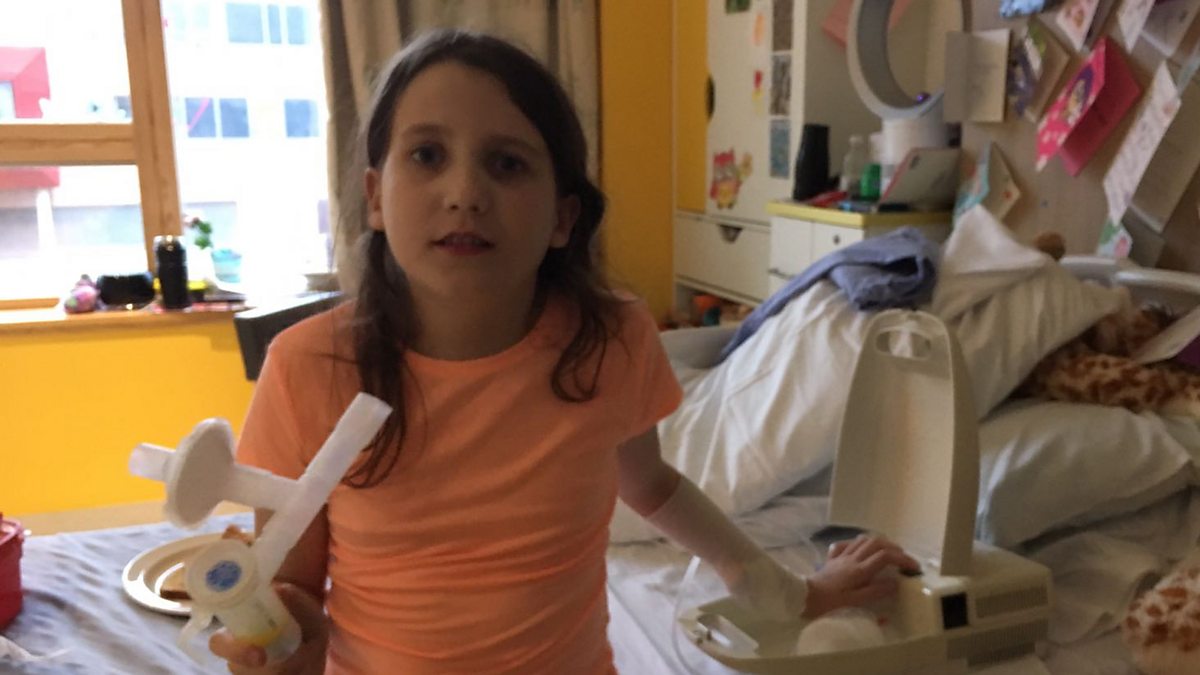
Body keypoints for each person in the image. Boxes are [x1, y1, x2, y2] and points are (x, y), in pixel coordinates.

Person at [210, 29, 919, 675]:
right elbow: (291, 581)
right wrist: (282, 637)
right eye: (427, 155)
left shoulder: (607, 342)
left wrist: (795, 595)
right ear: (374, 196)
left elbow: (653, 486)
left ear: (562, 217)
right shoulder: (308, 369)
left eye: (507, 163)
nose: (465, 192)